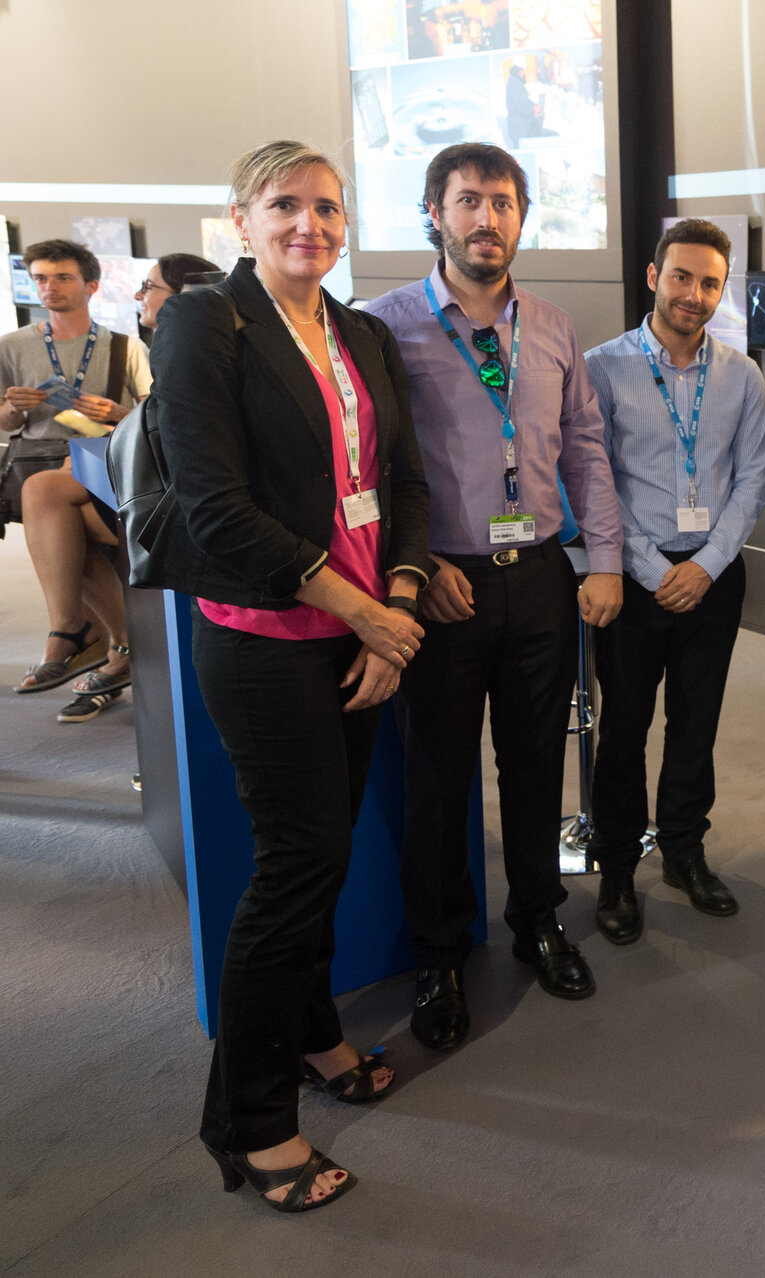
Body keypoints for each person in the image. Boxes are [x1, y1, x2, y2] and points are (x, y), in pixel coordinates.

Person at [150, 140, 432, 1209]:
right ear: (240, 218)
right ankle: (249, 1121)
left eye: (326, 207)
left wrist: (394, 607)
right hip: (266, 642)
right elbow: (216, 505)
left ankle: (314, 1031)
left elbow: (399, 481)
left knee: (322, 857)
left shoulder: (356, 332)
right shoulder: (202, 326)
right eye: (284, 206)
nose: (308, 224)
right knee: (294, 870)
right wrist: (361, 609)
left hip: (362, 642)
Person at [364, 143, 624, 1049]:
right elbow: (374, 465)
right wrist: (414, 566)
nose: (487, 219)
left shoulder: (554, 325)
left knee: (534, 763)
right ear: (433, 212)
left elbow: (584, 449)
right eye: (468, 201)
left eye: (504, 203)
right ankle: (438, 955)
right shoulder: (381, 325)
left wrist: (604, 561)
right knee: (437, 779)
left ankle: (539, 922)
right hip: (441, 586)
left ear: (522, 217)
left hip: (544, 578)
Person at [586, 218, 765, 925]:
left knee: (696, 726)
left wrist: (709, 565)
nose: (695, 294)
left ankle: (686, 852)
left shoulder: (742, 376)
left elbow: (750, 481)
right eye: (683, 277)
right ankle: (619, 870)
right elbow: (593, 479)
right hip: (632, 581)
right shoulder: (602, 367)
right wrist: (649, 566)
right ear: (654, 276)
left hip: (713, 581)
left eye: (711, 283)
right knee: (625, 730)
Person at [17, 252, 222, 725]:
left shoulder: (173, 346)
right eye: (41, 279)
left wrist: (118, 423)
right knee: (48, 498)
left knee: (54, 506)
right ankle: (88, 634)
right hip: (140, 487)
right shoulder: (16, 345)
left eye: (148, 288)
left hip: (181, 504)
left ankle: (97, 639)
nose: (138, 297)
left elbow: (179, 430)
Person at [2, 239, 151, 696]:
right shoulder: (12, 347)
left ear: (91, 286)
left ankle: (81, 635)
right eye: (40, 278)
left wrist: (114, 413)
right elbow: (5, 424)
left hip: (103, 467)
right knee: (63, 534)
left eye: (62, 277)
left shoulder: (123, 346)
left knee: (66, 530)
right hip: (37, 468)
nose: (49, 287)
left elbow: (153, 418)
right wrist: (11, 408)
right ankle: (114, 646)